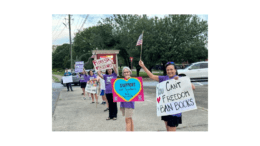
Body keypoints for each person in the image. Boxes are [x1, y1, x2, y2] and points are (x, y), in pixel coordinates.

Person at [139, 60, 195, 132]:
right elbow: (151, 76)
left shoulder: (179, 78)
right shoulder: (164, 78)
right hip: (166, 109)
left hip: (175, 110)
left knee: (171, 130)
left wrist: (181, 81)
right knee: (168, 129)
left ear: (175, 70)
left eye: (171, 69)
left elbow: (193, 87)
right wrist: (143, 66)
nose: (169, 71)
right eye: (167, 70)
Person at [120, 67, 135, 131]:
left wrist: (130, 80)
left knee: (127, 119)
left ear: (130, 73)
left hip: (130, 103)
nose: (126, 73)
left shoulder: (133, 81)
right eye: (125, 72)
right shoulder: (121, 81)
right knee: (129, 118)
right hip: (123, 102)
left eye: (127, 72)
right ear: (123, 74)